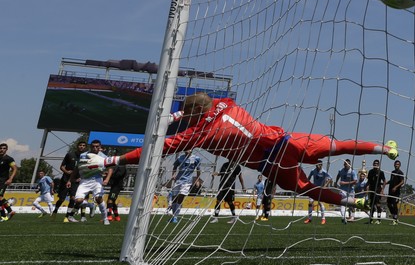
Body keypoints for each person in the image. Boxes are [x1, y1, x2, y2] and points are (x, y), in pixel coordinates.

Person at [91, 92, 398, 210]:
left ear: (194, 117)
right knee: (336, 144)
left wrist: (110, 159)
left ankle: (355, 203)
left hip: (269, 163)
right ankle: (383, 148)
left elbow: (152, 149)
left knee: (308, 190)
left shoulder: (198, 134)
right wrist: (181, 114)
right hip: (285, 141)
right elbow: (204, 103)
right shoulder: (226, 103)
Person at [66, 140, 112, 225]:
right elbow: (77, 168)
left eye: (97, 146)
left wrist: (106, 179)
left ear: (100, 147)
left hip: (97, 180)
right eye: (93, 146)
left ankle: (105, 218)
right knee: (78, 200)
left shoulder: (104, 157)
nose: (95, 148)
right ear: (90, 147)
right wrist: (70, 180)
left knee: (98, 198)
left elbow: (110, 168)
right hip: (84, 181)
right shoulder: (83, 155)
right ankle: (74, 214)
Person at [53, 141, 87, 218]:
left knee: (73, 198)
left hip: (76, 181)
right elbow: (61, 166)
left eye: (83, 145)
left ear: (85, 147)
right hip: (65, 179)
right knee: (61, 199)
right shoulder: (70, 154)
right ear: (77, 146)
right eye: (80, 145)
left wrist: (81, 177)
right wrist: (67, 172)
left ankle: (67, 216)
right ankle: (55, 210)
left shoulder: (86, 157)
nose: (82, 146)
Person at [168, 149, 202, 224]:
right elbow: (175, 166)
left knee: (181, 196)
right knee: (175, 198)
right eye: (186, 149)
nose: (188, 151)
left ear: (192, 150)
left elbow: (198, 170)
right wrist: (173, 175)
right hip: (178, 180)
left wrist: (197, 179)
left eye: (189, 149)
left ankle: (176, 217)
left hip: (187, 182)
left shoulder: (196, 158)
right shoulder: (180, 158)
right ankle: (173, 215)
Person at [334, 159, 357, 223]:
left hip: (350, 191)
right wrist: (336, 182)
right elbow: (338, 175)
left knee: (352, 205)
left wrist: (345, 183)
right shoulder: (341, 170)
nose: (346, 165)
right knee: (342, 204)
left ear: (350, 164)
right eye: (345, 164)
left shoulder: (352, 171)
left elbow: (355, 181)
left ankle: (352, 217)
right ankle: (343, 217)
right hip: (343, 190)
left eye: (347, 164)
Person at [0, 143, 18, 221]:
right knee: (1, 198)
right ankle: (10, 211)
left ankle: (3, 216)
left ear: (6, 149)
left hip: (4, 181)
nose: (2, 150)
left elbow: (15, 168)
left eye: (4, 148)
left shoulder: (9, 159)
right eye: (0, 148)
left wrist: (10, 179)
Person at [366, 159, 386, 224]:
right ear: (373, 164)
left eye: (377, 164)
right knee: (371, 205)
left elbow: (384, 181)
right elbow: (369, 181)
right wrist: (366, 187)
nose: (375, 165)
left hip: (378, 190)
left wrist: (382, 190)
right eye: (374, 164)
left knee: (378, 205)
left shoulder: (381, 172)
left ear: (379, 165)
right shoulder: (370, 172)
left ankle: (379, 219)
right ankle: (371, 219)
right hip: (371, 190)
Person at [386, 160, 405, 225]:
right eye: (396, 164)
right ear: (394, 165)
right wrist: (386, 183)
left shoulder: (400, 172)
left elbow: (402, 182)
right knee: (388, 204)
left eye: (398, 164)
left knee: (394, 205)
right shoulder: (392, 172)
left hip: (396, 192)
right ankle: (394, 217)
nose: (396, 165)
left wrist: (396, 187)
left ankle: (395, 219)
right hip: (390, 191)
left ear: (399, 165)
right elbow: (391, 180)